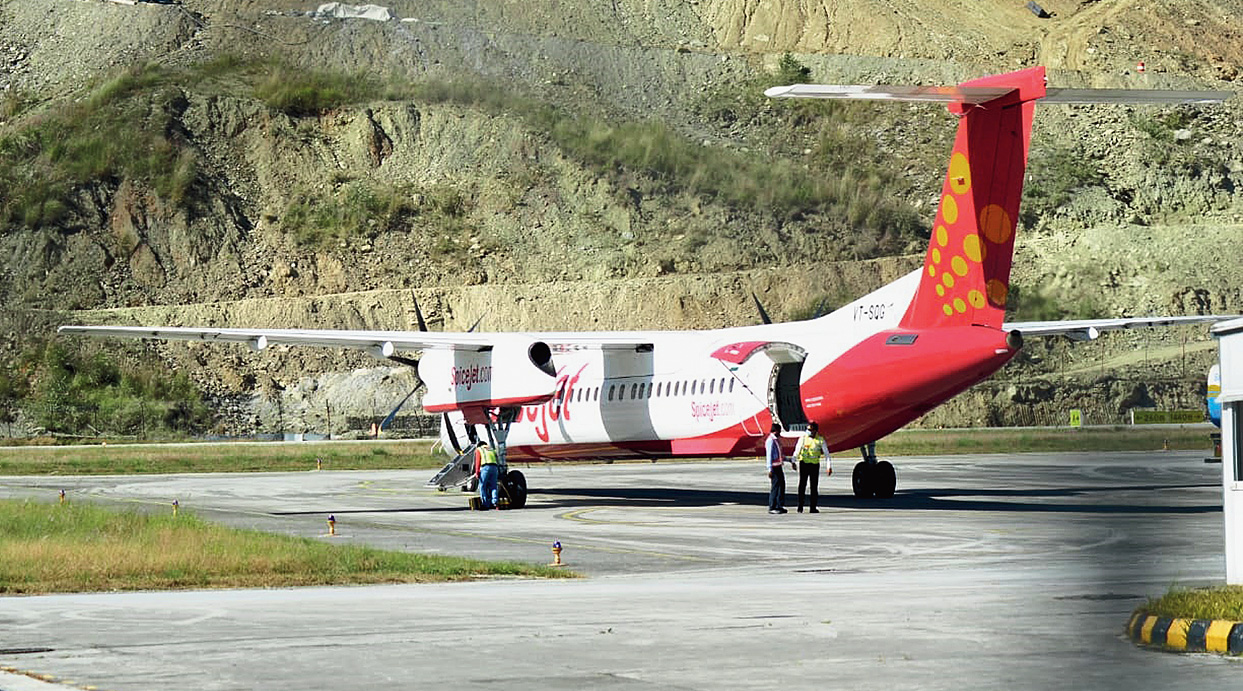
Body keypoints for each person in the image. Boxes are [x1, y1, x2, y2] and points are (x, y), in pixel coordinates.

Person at [793, 422, 831, 513]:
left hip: (814, 465)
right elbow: (797, 450)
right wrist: (794, 461)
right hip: (804, 464)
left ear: (815, 431)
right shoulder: (803, 438)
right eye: (808, 430)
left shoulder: (820, 440)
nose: (809, 431)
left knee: (814, 487)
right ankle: (800, 506)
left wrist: (828, 466)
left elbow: (827, 454)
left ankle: (813, 507)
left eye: (810, 430)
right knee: (802, 485)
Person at [765, 422, 794, 514]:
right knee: (775, 487)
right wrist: (769, 469)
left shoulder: (776, 440)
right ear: (776, 431)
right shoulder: (770, 441)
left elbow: (780, 454)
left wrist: (789, 460)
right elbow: (769, 455)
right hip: (774, 467)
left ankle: (779, 505)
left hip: (778, 466)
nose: (780, 432)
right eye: (779, 430)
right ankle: (772, 507)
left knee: (782, 485)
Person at [475, 439, 501, 510]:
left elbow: (478, 461)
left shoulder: (479, 449)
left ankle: (485, 504)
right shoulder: (491, 449)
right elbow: (497, 458)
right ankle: (495, 503)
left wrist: (477, 472)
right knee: (493, 486)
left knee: (482, 486)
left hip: (485, 467)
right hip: (495, 468)